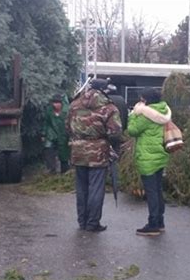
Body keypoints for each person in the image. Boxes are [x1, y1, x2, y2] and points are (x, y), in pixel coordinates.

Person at [66, 79, 122, 232]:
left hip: (78, 151)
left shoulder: (74, 105)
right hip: (98, 152)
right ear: (104, 90)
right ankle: (92, 223)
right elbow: (115, 132)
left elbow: (68, 127)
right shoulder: (109, 107)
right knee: (96, 189)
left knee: (81, 188)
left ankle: (82, 222)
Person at [127, 88, 171, 236]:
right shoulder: (164, 111)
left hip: (148, 157)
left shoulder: (146, 115)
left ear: (146, 100)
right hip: (160, 155)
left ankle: (153, 224)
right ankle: (160, 221)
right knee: (158, 190)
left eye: (142, 99)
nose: (140, 101)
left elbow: (132, 130)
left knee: (151, 191)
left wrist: (133, 115)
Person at [41, 94, 70, 174]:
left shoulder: (67, 110)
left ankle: (65, 171)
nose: (56, 105)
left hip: (64, 133)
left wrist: (70, 136)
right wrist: (43, 134)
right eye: (54, 103)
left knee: (64, 152)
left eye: (58, 103)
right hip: (52, 132)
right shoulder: (49, 110)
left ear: (61, 103)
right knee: (48, 148)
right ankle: (51, 169)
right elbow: (46, 123)